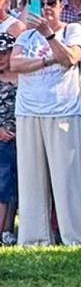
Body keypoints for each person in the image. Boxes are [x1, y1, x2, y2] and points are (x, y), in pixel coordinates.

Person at [11, 0, 81, 245]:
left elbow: (71, 57)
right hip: (29, 109)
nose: (47, 8)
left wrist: (49, 35)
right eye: (41, 3)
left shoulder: (73, 30)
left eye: (52, 2)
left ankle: (76, 237)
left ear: (61, 5)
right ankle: (34, 237)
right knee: (31, 177)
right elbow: (15, 63)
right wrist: (46, 60)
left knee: (67, 177)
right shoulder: (25, 35)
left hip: (62, 109)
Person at [0, 33, 17, 244]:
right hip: (2, 140)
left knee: (18, 187)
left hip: (25, 137)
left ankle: (9, 230)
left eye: (4, 53)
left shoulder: (27, 77)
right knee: (2, 186)